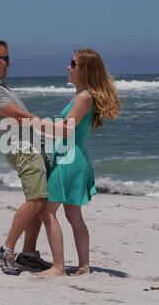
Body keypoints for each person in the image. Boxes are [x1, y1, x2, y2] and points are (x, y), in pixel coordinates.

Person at [40, 49, 121, 277]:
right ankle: (84, 266)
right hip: (75, 158)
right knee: (74, 216)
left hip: (69, 159)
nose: (69, 67)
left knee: (47, 213)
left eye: (73, 63)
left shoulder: (84, 97)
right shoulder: (82, 96)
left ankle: (57, 267)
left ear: (84, 69)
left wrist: (35, 125)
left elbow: (67, 129)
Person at [0, 39, 52, 276]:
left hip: (28, 146)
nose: (9, 63)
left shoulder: (1, 86)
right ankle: (5, 250)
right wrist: (46, 123)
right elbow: (16, 115)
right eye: (4, 59)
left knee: (38, 200)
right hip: (21, 148)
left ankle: (28, 255)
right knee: (37, 200)